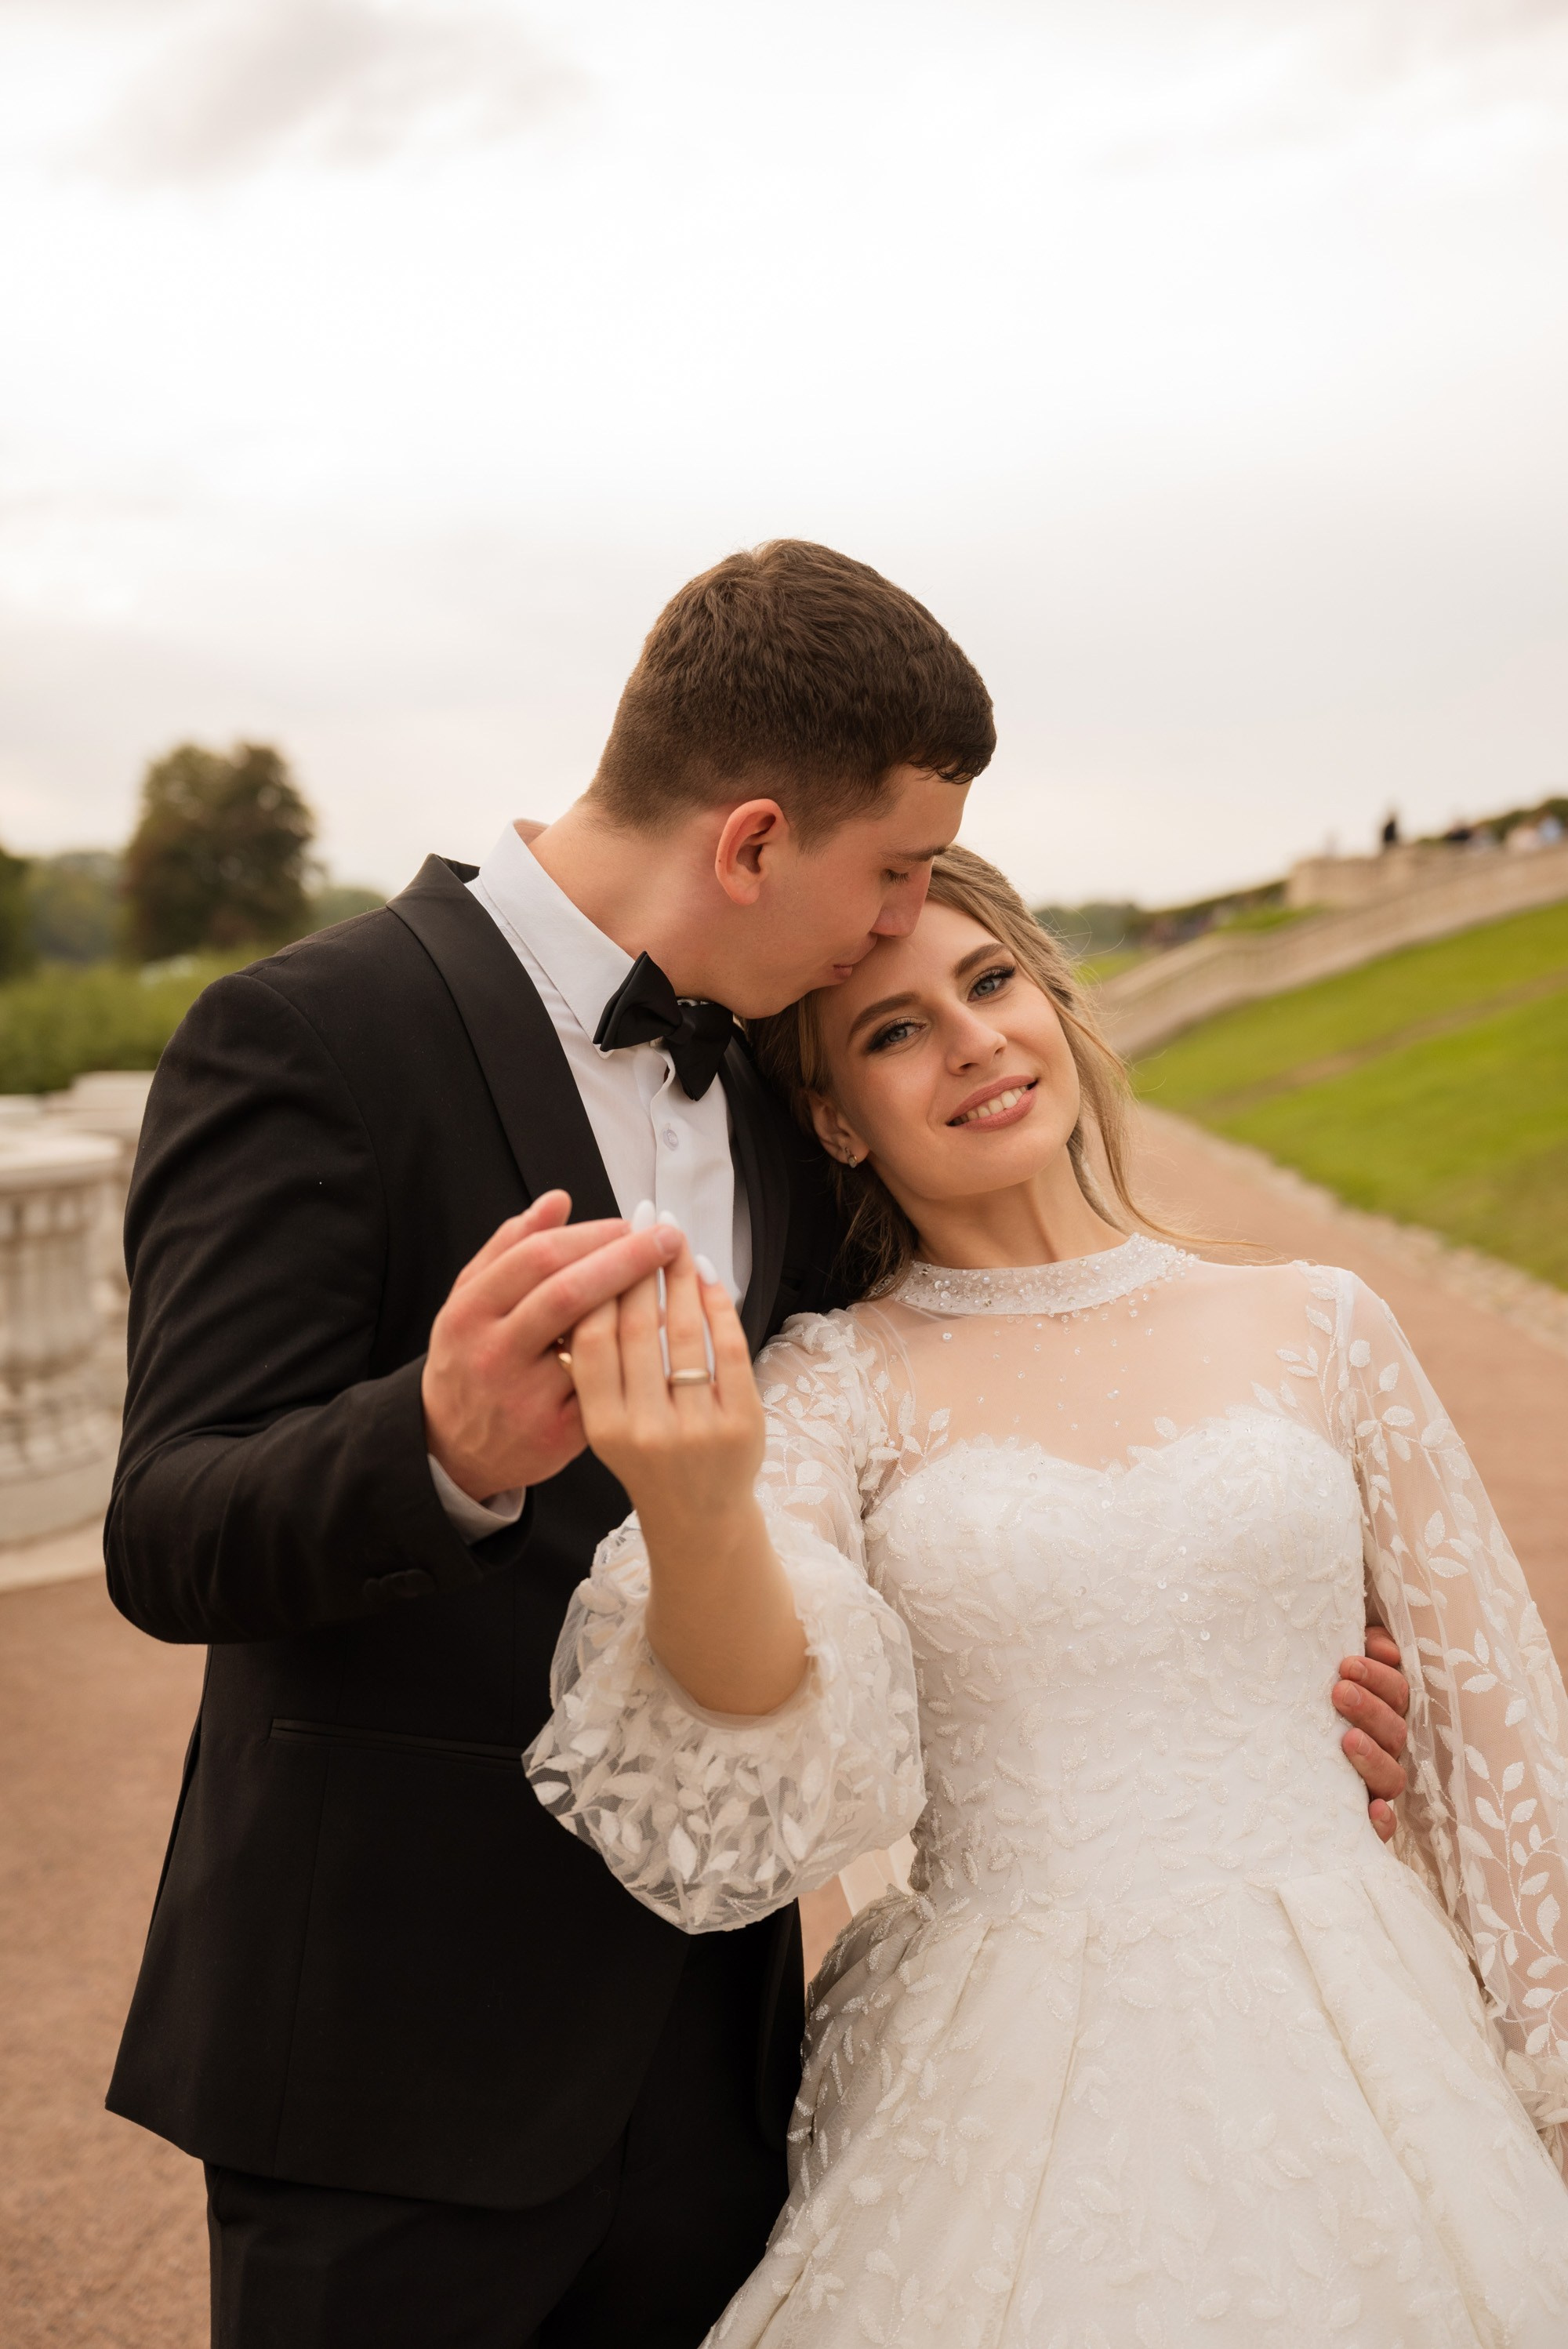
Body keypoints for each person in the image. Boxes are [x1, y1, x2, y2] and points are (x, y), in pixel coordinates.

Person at [104, 541, 1408, 2349]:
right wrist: (437, 1438)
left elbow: (975, 1443)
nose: (898, 926)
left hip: (724, 2078)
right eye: (886, 879)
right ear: (749, 843)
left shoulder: (791, 1109)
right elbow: (165, 1524)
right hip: (389, 2071)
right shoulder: (310, 1034)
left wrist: (1262, 1673)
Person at [528, 843, 1568, 2346]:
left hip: (1362, 2024)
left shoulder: (1320, 1324)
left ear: (1054, 1002)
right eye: (894, 1030)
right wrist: (695, 1520)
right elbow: (754, 1697)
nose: (971, 1043)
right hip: (1008, 2071)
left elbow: (1497, 1742)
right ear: (832, 1114)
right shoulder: (835, 1386)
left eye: (991, 981)